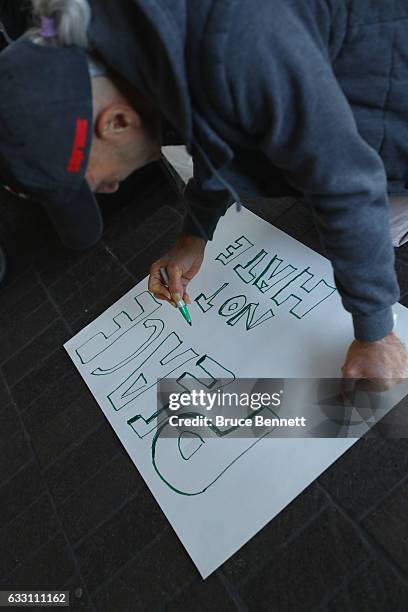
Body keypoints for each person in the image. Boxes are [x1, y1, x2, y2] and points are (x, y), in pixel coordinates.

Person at [0, 0, 407, 385]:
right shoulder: (138, 41)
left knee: (366, 233)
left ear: (117, 122)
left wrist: (376, 333)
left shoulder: (238, 41)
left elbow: (347, 181)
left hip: (389, 78)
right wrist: (194, 234)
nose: (111, 187)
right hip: (338, 83)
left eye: (95, 182)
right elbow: (213, 122)